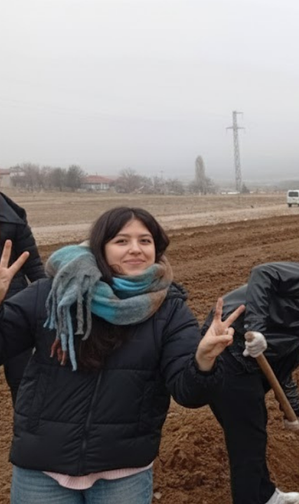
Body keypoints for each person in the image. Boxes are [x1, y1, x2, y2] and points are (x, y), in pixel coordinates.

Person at [0, 207, 242, 503]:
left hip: (123, 472)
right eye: (122, 241)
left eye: (145, 240)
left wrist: (204, 361)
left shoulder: (169, 309)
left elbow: (188, 392)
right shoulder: (54, 292)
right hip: (42, 468)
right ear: (101, 246)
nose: (136, 249)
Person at [203, 263, 299, 504]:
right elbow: (262, 273)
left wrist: (293, 410)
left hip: (240, 362)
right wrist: (255, 329)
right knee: (248, 439)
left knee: (249, 433)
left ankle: (265, 494)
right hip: (229, 351)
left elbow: (281, 368)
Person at [0, 192, 46, 405]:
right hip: (15, 303)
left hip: (14, 310)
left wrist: (53, 302)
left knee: (22, 380)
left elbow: (34, 266)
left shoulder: (12, 217)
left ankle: (26, 432)